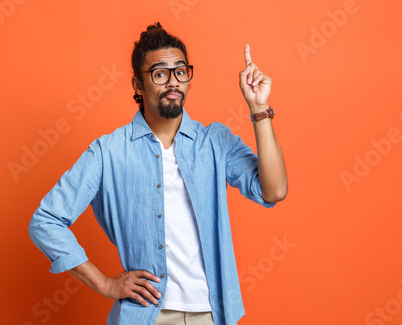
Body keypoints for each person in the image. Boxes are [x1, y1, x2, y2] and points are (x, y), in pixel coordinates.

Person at [29, 22, 287, 325]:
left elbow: (274, 190)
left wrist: (259, 108)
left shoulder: (214, 141)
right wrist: (104, 283)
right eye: (160, 74)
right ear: (138, 84)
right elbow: (46, 221)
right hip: (146, 316)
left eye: (180, 71)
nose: (173, 82)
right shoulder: (108, 152)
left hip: (213, 313)